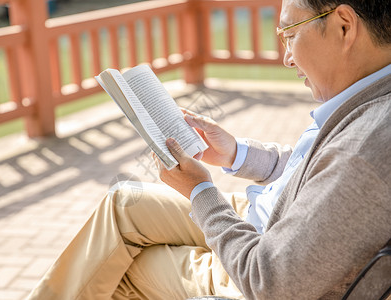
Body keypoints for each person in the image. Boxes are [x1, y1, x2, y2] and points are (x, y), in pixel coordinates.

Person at [28, 0, 391, 299]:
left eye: (291, 35)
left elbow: (271, 282)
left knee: (119, 266)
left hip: (261, 257)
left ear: (344, 26)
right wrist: (236, 153)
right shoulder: (367, 99)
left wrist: (200, 190)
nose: (287, 58)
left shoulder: (363, 150)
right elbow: (313, 167)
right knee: (125, 203)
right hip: (270, 215)